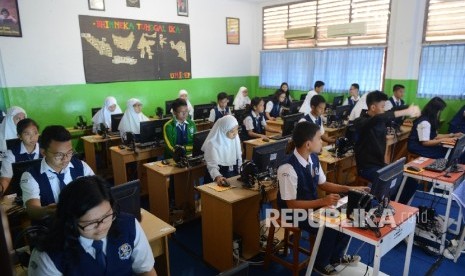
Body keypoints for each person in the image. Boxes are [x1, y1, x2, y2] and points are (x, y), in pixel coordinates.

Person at [277, 121, 369, 275]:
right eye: (319, 138)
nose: (322, 141)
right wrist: (322, 202)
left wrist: (350, 188)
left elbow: (324, 184)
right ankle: (320, 263)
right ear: (308, 144)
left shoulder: (313, 158)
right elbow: (291, 204)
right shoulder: (288, 168)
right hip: (291, 211)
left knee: (345, 218)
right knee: (329, 225)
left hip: (311, 206)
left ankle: (335, 257)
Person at [28, 176, 157, 276]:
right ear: (71, 222)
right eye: (90, 223)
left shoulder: (127, 225)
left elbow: (146, 270)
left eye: (106, 216)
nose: (101, 227)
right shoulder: (47, 255)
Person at [20, 125, 94, 221]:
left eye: (69, 152)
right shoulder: (31, 175)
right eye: (59, 155)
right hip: (52, 227)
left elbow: (96, 191)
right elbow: (32, 210)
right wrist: (46, 211)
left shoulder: (81, 166)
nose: (66, 158)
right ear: (43, 152)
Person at [353, 91, 420, 183]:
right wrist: (405, 112)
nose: (384, 110)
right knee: (398, 182)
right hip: (366, 168)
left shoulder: (380, 120)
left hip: (380, 165)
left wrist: (409, 108)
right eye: (382, 107)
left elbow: (391, 111)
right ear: (373, 107)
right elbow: (378, 118)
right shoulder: (360, 122)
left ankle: (394, 197)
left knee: (411, 180)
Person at [0, 119, 40, 194]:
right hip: (22, 192)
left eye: (35, 133)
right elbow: (6, 179)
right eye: (27, 134)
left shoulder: (46, 150)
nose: (32, 137)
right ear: (20, 136)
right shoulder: (11, 154)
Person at [202, 115, 241, 185]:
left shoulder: (235, 138)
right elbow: (212, 166)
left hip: (231, 175)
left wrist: (241, 171)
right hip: (216, 178)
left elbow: (239, 157)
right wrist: (218, 177)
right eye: (232, 131)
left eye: (237, 129)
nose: (235, 134)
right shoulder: (212, 144)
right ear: (224, 130)